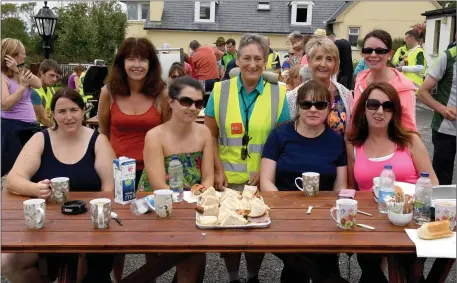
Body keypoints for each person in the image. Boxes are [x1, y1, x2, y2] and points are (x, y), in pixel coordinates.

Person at [2, 87, 116, 283]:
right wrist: (36, 189)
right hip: (46, 226)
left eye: (74, 110)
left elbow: (109, 189)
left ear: (83, 111)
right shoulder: (40, 139)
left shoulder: (99, 141)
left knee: (89, 272)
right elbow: (13, 179)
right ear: (53, 114)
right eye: (62, 112)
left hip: (90, 224)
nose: (68, 117)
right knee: (7, 264)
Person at [205, 33, 290, 283]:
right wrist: (217, 170)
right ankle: (233, 277)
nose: (252, 64)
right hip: (226, 179)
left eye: (258, 59)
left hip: (259, 181)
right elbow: (209, 135)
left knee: (256, 234)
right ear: (237, 60)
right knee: (228, 233)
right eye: (246, 58)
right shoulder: (220, 90)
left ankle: (252, 276)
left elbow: (283, 139)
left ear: (265, 62)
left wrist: (265, 172)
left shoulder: (278, 93)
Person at [347, 82, 437, 283]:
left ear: (394, 111)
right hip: (369, 224)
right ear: (363, 108)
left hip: (411, 220)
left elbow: (432, 181)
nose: (380, 111)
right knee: (370, 270)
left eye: (388, 106)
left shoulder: (409, 141)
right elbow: (351, 189)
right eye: (373, 104)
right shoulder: (353, 144)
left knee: (409, 273)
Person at [261, 80, 347, 283]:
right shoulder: (279, 135)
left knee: (305, 264)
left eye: (320, 105)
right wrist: (284, 209)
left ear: (329, 108)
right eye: (306, 104)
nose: (313, 110)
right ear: (298, 106)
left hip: (324, 216)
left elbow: (341, 185)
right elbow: (266, 181)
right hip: (285, 215)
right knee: (314, 263)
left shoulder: (336, 140)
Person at [98, 37, 169, 283]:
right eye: (131, 58)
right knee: (118, 231)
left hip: (152, 173)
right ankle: (118, 279)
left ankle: (150, 278)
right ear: (122, 62)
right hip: (118, 172)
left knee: (151, 232)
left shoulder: (161, 93)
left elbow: (167, 132)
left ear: (151, 64)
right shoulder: (109, 93)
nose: (136, 64)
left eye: (142, 59)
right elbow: (103, 134)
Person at [286, 36, 353, 136]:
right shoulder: (294, 96)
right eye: (318, 58)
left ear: (335, 63)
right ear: (309, 61)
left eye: (329, 59)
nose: (323, 64)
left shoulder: (346, 95)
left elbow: (349, 135)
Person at [354, 29, 417, 132]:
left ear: (390, 54)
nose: (373, 55)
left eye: (380, 51)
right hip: (360, 144)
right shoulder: (360, 79)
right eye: (368, 50)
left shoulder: (403, 87)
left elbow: (409, 129)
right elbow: (354, 119)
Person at [1, 38, 42, 177]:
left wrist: (17, 70)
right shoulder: (2, 77)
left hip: (30, 126)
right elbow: (5, 104)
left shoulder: (20, 72)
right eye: (22, 53)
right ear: (11, 56)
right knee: (15, 167)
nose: (25, 56)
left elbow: (38, 83)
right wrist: (23, 87)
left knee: (34, 165)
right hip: (14, 128)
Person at [418, 45, 456, 185]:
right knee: (441, 183)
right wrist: (443, 109)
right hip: (446, 129)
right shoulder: (448, 57)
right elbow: (422, 92)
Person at [31, 59, 62, 128]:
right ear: (42, 73)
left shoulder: (50, 89)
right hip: (36, 129)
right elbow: (43, 119)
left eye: (57, 77)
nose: (54, 79)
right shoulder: (33, 91)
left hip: (48, 126)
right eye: (51, 75)